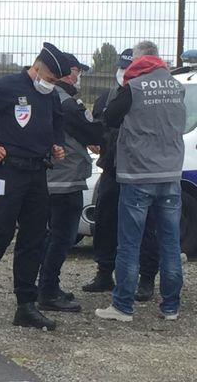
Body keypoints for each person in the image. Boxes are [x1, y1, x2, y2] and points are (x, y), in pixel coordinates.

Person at [0, 42, 70, 330]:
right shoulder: (9, 86)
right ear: (37, 69)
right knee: (1, 234)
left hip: (37, 174)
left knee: (33, 240)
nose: (52, 85)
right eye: (50, 80)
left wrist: (57, 145)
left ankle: (26, 306)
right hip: (8, 174)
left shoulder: (50, 95)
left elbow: (57, 122)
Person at [96, 41, 186, 322]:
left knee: (129, 243)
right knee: (170, 243)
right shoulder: (176, 86)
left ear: (138, 60)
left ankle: (123, 306)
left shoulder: (134, 87)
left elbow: (109, 117)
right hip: (170, 174)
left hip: (138, 174)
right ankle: (170, 307)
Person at [83, 49, 160, 301]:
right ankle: (105, 272)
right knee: (105, 220)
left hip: (140, 170)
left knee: (146, 224)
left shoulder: (146, 95)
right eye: (122, 67)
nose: (124, 72)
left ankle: (146, 278)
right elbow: (97, 125)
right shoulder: (107, 97)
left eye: (129, 67)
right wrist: (95, 141)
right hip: (112, 168)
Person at [37, 53, 103, 312]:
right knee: (62, 238)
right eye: (78, 72)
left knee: (44, 236)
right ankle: (49, 291)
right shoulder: (68, 103)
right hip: (66, 181)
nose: (79, 78)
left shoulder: (43, 96)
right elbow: (93, 131)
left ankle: (40, 286)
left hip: (44, 179)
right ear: (69, 72)